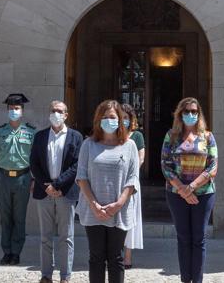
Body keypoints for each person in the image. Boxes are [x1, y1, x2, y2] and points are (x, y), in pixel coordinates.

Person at [76, 100, 140, 283]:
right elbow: (81, 177)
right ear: (98, 120)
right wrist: (94, 204)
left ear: (120, 120)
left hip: (119, 211)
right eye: (104, 117)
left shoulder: (129, 146)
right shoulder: (88, 144)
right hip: (93, 209)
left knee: (116, 258)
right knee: (96, 257)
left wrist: (119, 203)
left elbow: (133, 178)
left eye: (112, 117)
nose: (108, 121)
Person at [161, 97, 218, 283]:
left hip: (204, 193)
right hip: (176, 194)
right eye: (187, 112)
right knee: (184, 237)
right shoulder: (172, 135)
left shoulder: (208, 137)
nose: (191, 115)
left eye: (194, 111)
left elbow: (213, 166)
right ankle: (186, 279)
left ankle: (198, 279)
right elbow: (165, 165)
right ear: (180, 114)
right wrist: (183, 190)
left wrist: (191, 188)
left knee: (199, 238)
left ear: (199, 114)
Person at [30, 100, 83, 283]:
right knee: (45, 237)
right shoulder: (40, 136)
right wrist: (47, 186)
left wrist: (58, 185)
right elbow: (34, 164)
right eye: (53, 110)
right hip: (44, 193)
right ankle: (46, 275)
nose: (56, 114)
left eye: (60, 111)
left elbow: (76, 165)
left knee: (66, 237)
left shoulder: (76, 137)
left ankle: (65, 276)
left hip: (65, 193)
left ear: (66, 115)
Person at [0, 92, 36, 265]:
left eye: (17, 108)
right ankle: (6, 251)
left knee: (19, 217)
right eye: (11, 108)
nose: (14, 111)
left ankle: (16, 252)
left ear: (22, 111)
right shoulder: (0, 132)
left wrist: (33, 180)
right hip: (4, 177)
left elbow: (35, 158)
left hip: (23, 178)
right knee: (5, 217)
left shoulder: (30, 132)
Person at [120, 103, 144, 269]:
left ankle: (127, 257)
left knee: (129, 219)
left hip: (131, 183)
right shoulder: (111, 136)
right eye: (120, 118)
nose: (123, 121)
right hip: (113, 183)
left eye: (126, 118)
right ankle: (114, 254)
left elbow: (140, 158)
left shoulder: (137, 136)